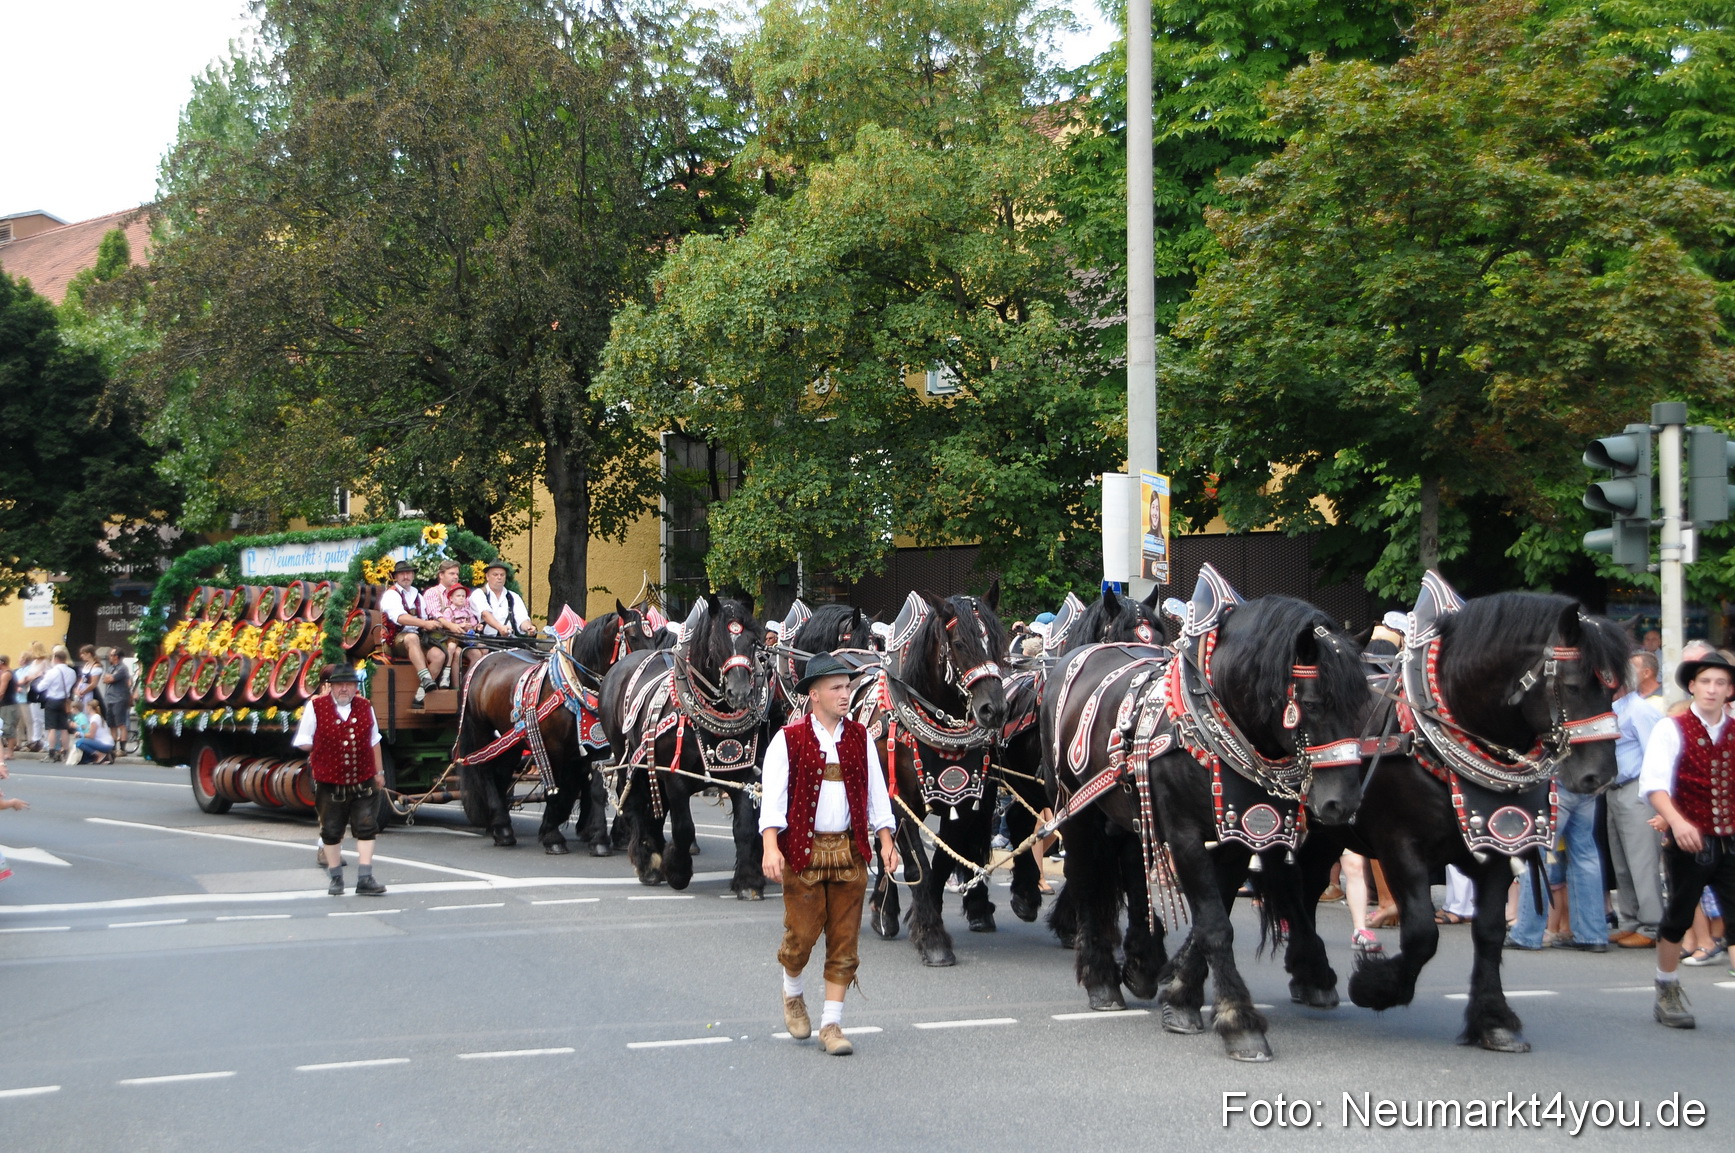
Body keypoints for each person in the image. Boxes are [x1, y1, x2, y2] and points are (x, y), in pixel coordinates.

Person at [760, 652, 899, 1056]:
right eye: (837, 688)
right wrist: (771, 846)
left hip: (850, 852)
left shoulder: (859, 738)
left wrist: (886, 839)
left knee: (844, 941)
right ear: (814, 695)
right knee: (800, 938)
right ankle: (792, 992)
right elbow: (773, 800)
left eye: (848, 687)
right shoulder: (787, 740)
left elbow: (877, 795)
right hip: (803, 851)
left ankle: (832, 1024)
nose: (846, 694)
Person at [1640, 649, 1735, 1028]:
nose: (1712, 690)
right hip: (1690, 838)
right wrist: (1677, 822)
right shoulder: (1672, 727)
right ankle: (1667, 986)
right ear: (1692, 686)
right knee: (1679, 915)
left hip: (1731, 837)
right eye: (1706, 682)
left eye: (1721, 683)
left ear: (1730, 690)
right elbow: (1654, 785)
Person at [292, 666, 387, 896]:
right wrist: (324, 746)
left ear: (356, 687)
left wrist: (379, 772)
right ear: (331, 687)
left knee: (366, 826)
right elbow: (303, 740)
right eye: (339, 685)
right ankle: (336, 878)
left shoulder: (365, 707)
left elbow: (374, 740)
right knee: (332, 830)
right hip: (330, 781)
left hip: (363, 778)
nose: (344, 689)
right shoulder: (316, 707)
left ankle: (365, 878)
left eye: (349, 685)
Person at [1606, 664, 1665, 948]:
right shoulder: (1615, 708)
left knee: (1643, 862)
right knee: (1622, 862)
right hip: (1614, 788)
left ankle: (1652, 926)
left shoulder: (1640, 710)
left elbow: (1655, 753)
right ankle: (1630, 920)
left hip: (1636, 789)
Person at [378, 560, 445, 706]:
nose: (405, 576)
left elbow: (425, 619)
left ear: (413, 575)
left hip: (417, 638)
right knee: (412, 638)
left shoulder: (418, 596)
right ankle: (426, 678)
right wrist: (424, 623)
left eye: (408, 573)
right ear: (395, 577)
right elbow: (400, 618)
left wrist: (433, 625)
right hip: (394, 640)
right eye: (402, 573)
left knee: (439, 656)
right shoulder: (391, 595)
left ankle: (420, 696)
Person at [420, 560, 465, 688]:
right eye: (451, 573)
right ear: (441, 575)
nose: (455, 576)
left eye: (457, 574)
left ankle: (464, 690)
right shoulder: (432, 593)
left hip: (458, 636)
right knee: (454, 651)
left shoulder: (460, 593)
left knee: (477, 652)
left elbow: (466, 613)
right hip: (437, 637)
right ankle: (450, 689)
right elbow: (436, 615)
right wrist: (452, 626)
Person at [36, 646, 78, 762]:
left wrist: (40, 678)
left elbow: (40, 687)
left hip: (52, 700)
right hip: (65, 701)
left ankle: (52, 753)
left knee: (52, 728)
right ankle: (65, 752)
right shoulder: (72, 672)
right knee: (64, 728)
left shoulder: (52, 672)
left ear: (55, 658)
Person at [475, 561, 535, 639]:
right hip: (485, 641)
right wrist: (500, 628)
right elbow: (485, 614)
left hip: (509, 641)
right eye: (495, 575)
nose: (499, 577)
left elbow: (522, 618)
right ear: (487, 576)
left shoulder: (513, 596)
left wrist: (528, 627)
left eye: (502, 575)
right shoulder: (479, 594)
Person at [434, 586, 481, 681]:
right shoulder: (449, 610)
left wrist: (477, 627)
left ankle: (468, 679)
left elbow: (473, 623)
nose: (461, 598)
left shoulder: (467, 611)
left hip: (466, 638)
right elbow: (447, 625)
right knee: (451, 647)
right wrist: (460, 626)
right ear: (451, 598)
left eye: (463, 596)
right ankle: (446, 671)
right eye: (458, 596)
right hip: (453, 637)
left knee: (483, 647)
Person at [97, 647, 132, 752]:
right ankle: (113, 747)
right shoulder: (110, 668)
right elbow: (105, 679)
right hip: (109, 699)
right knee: (112, 724)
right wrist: (109, 678)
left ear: (116, 657)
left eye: (111, 655)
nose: (109, 657)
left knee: (120, 723)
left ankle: (122, 748)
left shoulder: (122, 668)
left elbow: (111, 679)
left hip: (119, 699)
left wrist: (110, 678)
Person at [73, 700, 115, 765]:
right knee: (84, 745)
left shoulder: (94, 718)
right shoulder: (98, 717)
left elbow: (91, 736)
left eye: (86, 706)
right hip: (107, 743)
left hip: (104, 744)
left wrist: (80, 734)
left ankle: (100, 755)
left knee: (79, 743)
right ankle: (97, 757)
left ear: (89, 707)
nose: (85, 708)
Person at [0, 656, 17, 765]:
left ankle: (10, 752)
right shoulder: (8, 673)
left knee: (8, 727)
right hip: (8, 703)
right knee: (5, 727)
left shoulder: (6, 674)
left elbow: (2, 691)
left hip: (7, 704)